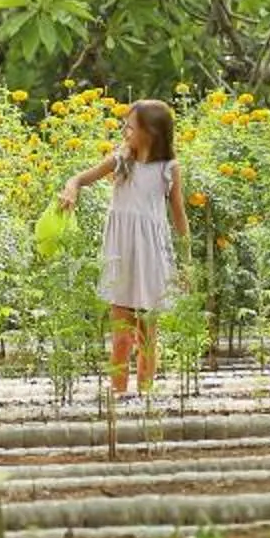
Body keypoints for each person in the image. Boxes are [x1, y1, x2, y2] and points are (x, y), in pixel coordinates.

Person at [59, 98, 189, 405]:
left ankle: (145, 398)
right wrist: (71, 189)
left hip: (152, 256)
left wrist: (186, 262)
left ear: (151, 132)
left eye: (130, 126)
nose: (124, 131)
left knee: (147, 334)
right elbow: (80, 178)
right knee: (120, 334)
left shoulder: (168, 169)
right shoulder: (120, 161)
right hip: (120, 253)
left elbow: (180, 216)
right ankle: (117, 395)